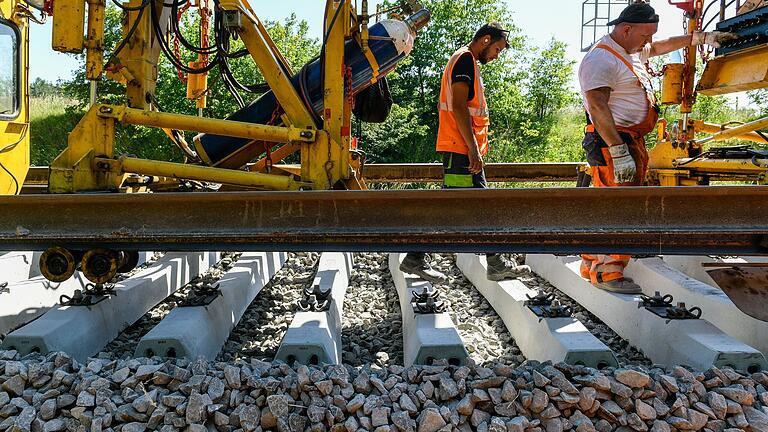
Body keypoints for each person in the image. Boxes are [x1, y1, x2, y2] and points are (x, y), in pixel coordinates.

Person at [578, 0, 737, 293]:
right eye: (645, 35)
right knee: (623, 207)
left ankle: (592, 265)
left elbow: (661, 45)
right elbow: (597, 106)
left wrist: (699, 39)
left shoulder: (629, 50)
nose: (648, 41)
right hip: (614, 140)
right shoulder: (602, 59)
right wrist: (617, 149)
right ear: (626, 29)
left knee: (607, 205)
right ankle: (610, 273)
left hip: (626, 139)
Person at [399, 22, 526, 283]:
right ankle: (496, 262)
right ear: (485, 40)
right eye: (497, 49)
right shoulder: (465, 60)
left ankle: (416, 257)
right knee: (477, 205)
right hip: (461, 150)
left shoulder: (464, 60)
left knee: (453, 206)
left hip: (458, 149)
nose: (497, 55)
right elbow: (458, 107)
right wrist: (472, 150)